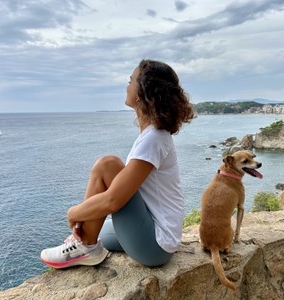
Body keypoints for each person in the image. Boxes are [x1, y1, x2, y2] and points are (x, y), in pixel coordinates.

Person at [40, 59, 195, 268]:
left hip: (156, 247)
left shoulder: (153, 139)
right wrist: (86, 217)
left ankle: (84, 247)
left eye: (131, 81)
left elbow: (113, 200)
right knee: (96, 229)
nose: (127, 85)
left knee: (108, 165)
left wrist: (74, 213)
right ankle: (87, 242)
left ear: (141, 92)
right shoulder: (154, 134)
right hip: (158, 233)